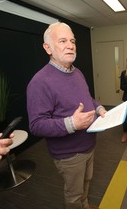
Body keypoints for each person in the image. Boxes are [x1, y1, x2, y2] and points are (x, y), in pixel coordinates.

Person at [27, 22, 106, 209]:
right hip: (69, 154)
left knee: (86, 183)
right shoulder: (39, 82)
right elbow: (36, 125)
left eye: (72, 41)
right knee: (73, 194)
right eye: (62, 41)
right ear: (48, 48)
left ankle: (85, 206)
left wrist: (99, 108)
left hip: (89, 145)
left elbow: (88, 99)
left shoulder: (77, 72)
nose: (70, 45)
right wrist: (71, 123)